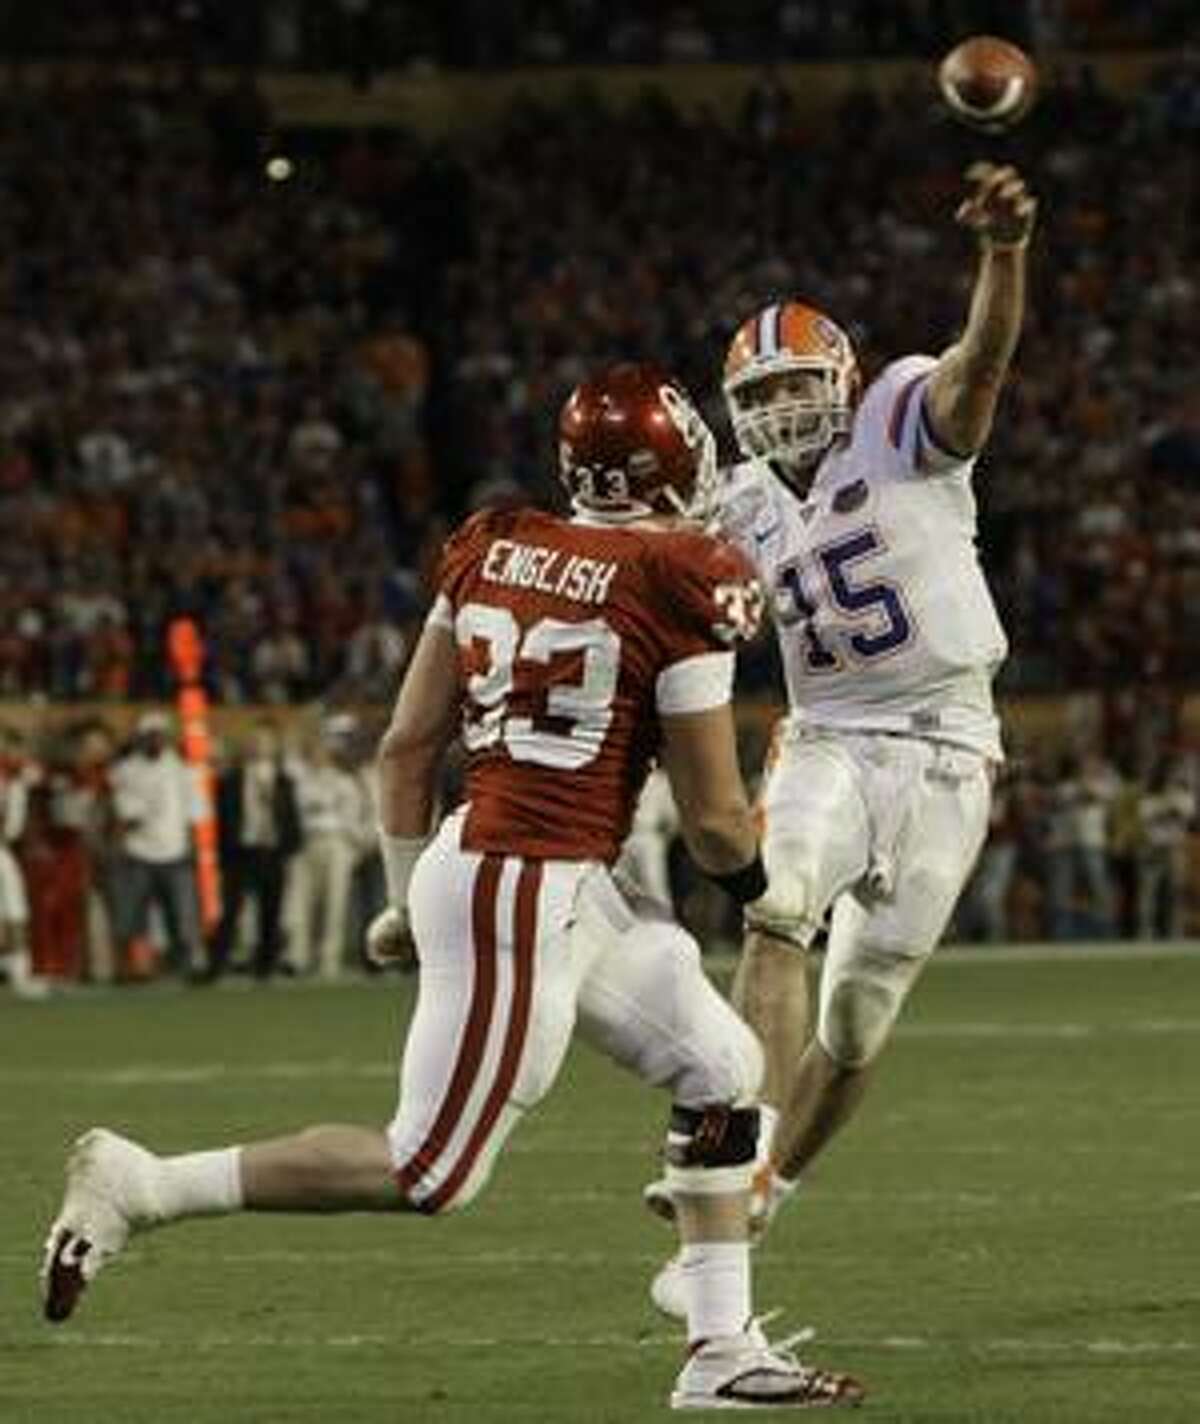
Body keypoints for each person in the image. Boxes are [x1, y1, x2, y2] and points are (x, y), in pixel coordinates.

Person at [41, 364, 863, 1412]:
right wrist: (768, 891)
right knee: (431, 1169)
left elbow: (404, 747)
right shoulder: (682, 575)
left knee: (723, 1066)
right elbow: (710, 822)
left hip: (514, 866)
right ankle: (144, 1183)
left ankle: (719, 1351)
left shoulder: (497, 542)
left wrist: (399, 896)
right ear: (669, 462)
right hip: (524, 884)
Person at [644, 161, 1037, 1313]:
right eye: (757, 393)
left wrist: (1003, 253)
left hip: (953, 742)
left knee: (858, 1019)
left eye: (794, 383)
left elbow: (981, 367)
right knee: (777, 904)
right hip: (830, 731)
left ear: (845, 377)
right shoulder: (735, 502)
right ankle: (734, 1141)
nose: (778, 409)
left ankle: (765, 1185)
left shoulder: (901, 417)